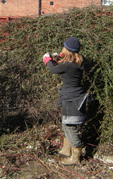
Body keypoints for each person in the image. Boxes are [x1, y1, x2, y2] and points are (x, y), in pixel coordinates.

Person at [43, 37, 89, 166]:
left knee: (69, 126)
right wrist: (58, 56)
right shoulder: (79, 60)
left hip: (70, 98)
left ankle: (76, 154)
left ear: (67, 50)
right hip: (76, 96)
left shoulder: (67, 65)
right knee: (68, 125)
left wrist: (47, 59)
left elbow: (53, 69)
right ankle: (66, 150)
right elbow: (65, 64)